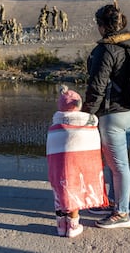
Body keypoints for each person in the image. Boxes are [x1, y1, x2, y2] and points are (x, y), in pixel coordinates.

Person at [82, 0, 130, 229]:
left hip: (114, 115)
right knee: (116, 163)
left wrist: (86, 114)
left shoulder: (106, 49)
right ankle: (114, 203)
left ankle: (122, 213)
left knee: (118, 166)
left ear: (102, 26)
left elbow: (96, 87)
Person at [46, 85, 108, 238]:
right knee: (74, 189)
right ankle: (73, 225)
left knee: (60, 190)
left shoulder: (54, 126)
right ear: (79, 105)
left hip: (58, 165)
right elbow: (93, 144)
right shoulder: (89, 122)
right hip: (78, 165)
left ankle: (61, 226)